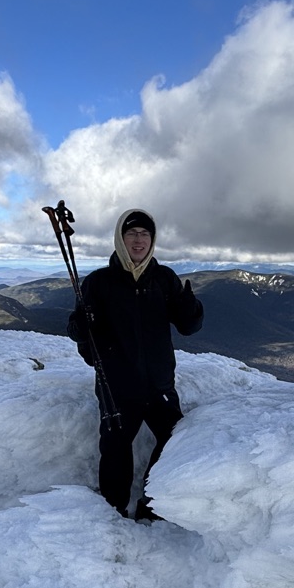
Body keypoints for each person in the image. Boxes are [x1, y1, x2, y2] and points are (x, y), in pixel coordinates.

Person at [67, 208, 204, 520]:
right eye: (132, 233)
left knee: (174, 440)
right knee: (115, 448)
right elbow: (81, 336)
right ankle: (113, 511)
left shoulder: (164, 279)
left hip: (159, 385)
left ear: (152, 240)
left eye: (145, 234)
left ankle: (152, 504)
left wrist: (190, 306)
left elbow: (189, 327)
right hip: (117, 384)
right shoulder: (99, 283)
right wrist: (82, 324)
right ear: (120, 238)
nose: (139, 239)